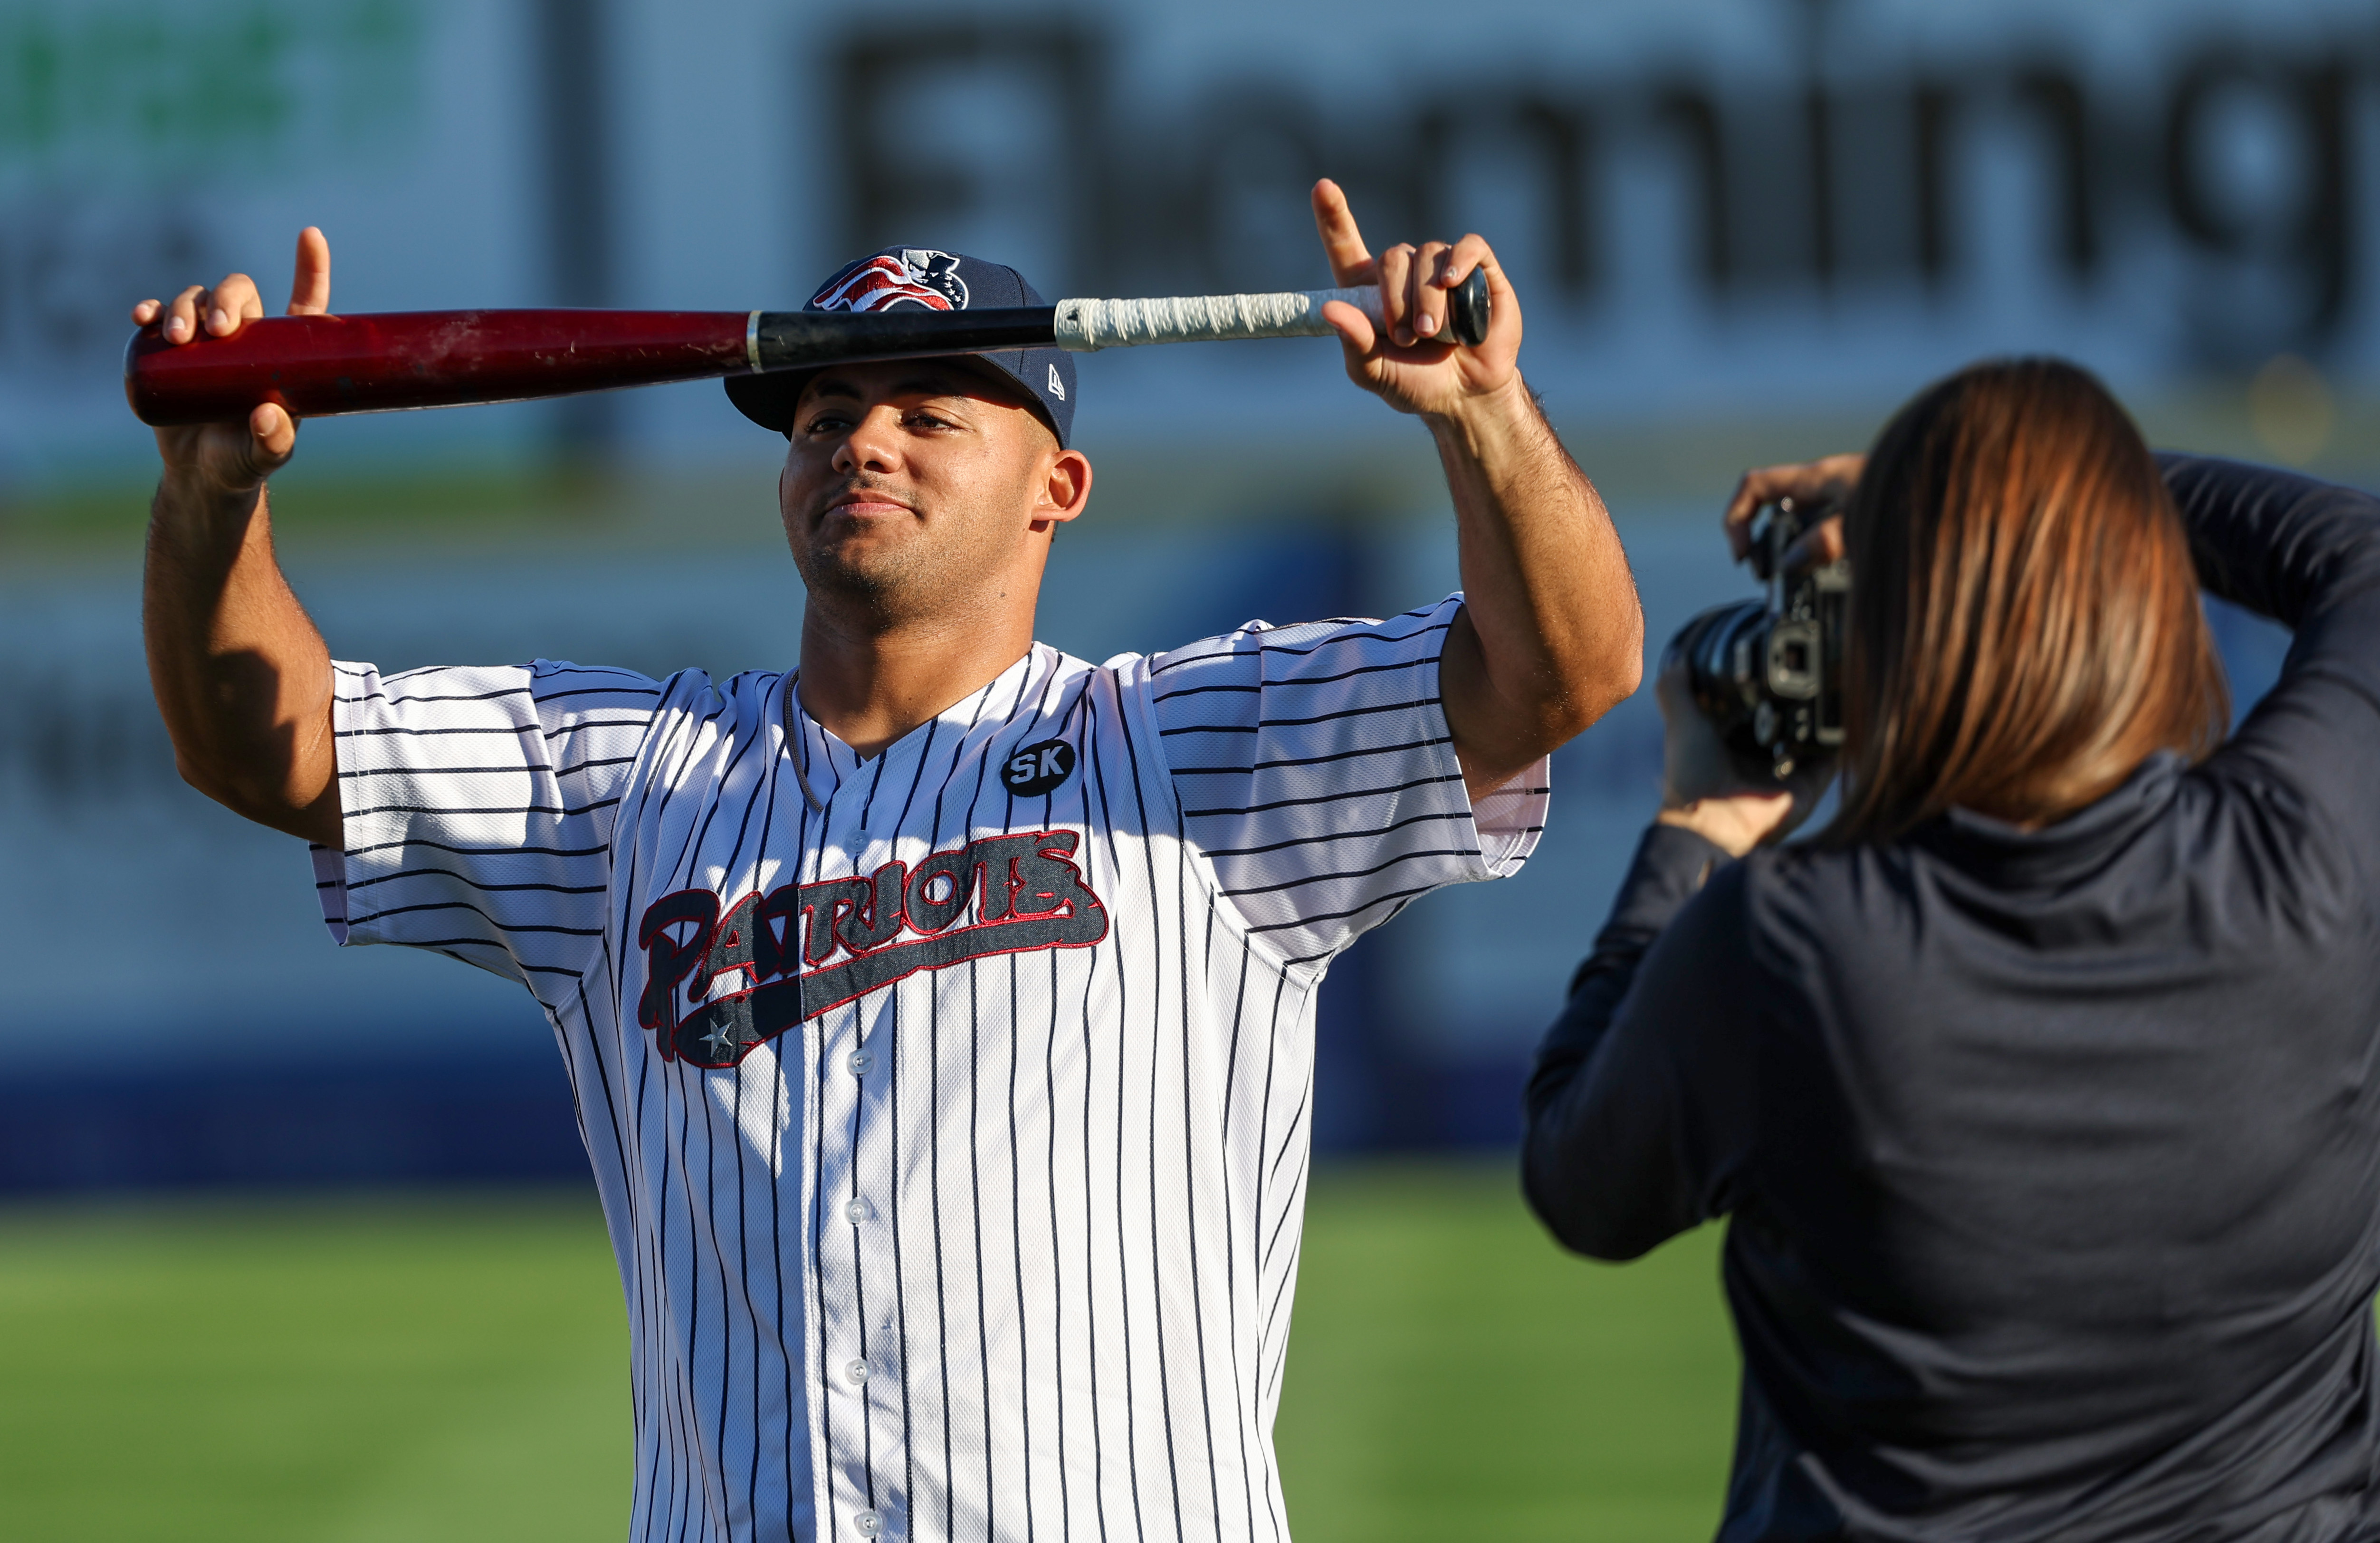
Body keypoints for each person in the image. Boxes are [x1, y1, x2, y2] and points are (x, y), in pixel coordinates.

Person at [135, 182, 1642, 1543]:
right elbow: (265, 748)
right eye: (823, 413)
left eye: (930, 412)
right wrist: (212, 498)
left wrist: (1483, 417)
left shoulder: (1194, 753)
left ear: (1057, 488)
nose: (860, 438)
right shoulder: (627, 783)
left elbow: (1565, 672)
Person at [1523, 355, 2380, 1541]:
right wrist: (2046, 501)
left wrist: (1700, 831)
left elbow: (1581, 1180)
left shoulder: (1795, 945)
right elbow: (2362, 562)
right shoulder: (2310, 864)